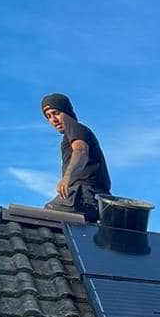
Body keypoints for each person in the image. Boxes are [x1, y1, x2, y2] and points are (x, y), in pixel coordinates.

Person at [41, 93, 111, 221]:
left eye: (56, 113)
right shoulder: (71, 135)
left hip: (85, 194)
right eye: (48, 116)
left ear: (67, 112)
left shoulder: (74, 127)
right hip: (98, 199)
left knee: (44, 217)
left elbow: (81, 151)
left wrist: (68, 176)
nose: (53, 120)